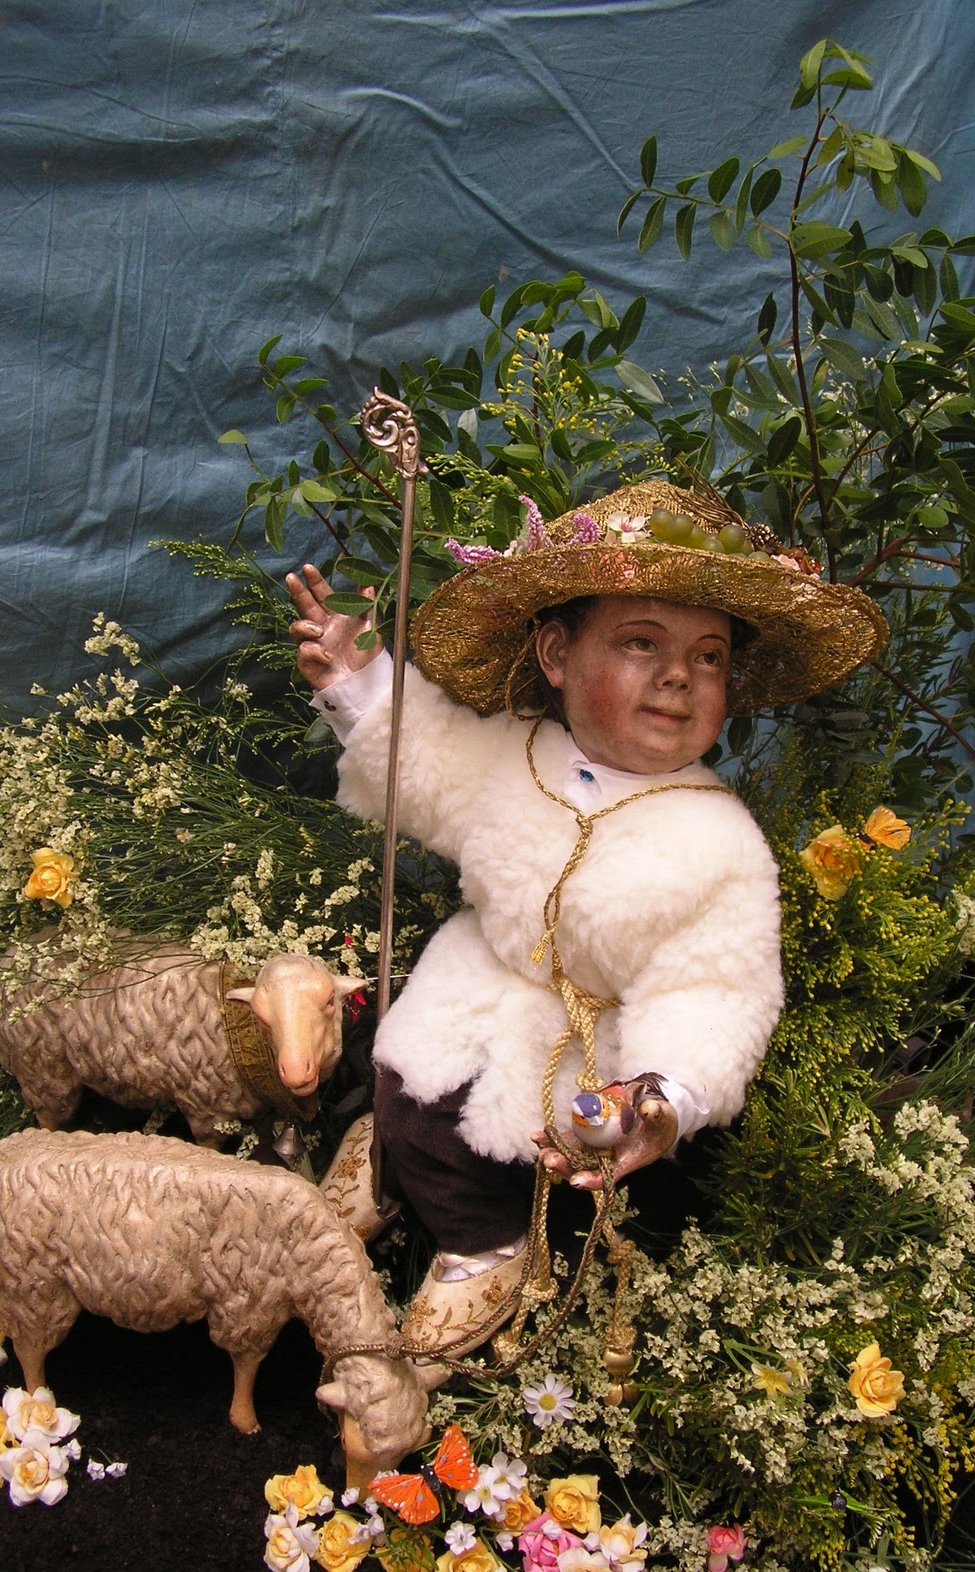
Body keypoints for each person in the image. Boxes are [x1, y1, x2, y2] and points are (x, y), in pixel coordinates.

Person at [287, 480, 885, 1375]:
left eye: (709, 657)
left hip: (575, 1044)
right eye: (642, 643)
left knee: (495, 1158)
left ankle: (482, 1244)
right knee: (403, 1081)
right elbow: (425, 762)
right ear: (558, 654)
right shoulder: (519, 750)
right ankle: (388, 1158)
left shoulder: (719, 843)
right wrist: (357, 681)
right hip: (466, 988)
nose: (679, 677)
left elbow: (717, 990)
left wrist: (664, 1096)